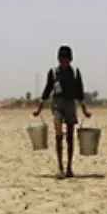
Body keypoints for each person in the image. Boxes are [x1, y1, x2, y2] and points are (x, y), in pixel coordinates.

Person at [33, 45, 92, 179]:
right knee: (58, 134)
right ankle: (60, 167)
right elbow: (47, 90)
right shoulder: (53, 73)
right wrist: (39, 108)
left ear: (70, 59)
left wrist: (84, 110)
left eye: (66, 59)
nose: (64, 62)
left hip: (70, 103)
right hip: (57, 104)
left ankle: (69, 167)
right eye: (61, 59)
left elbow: (79, 92)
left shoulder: (75, 73)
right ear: (58, 59)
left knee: (70, 137)